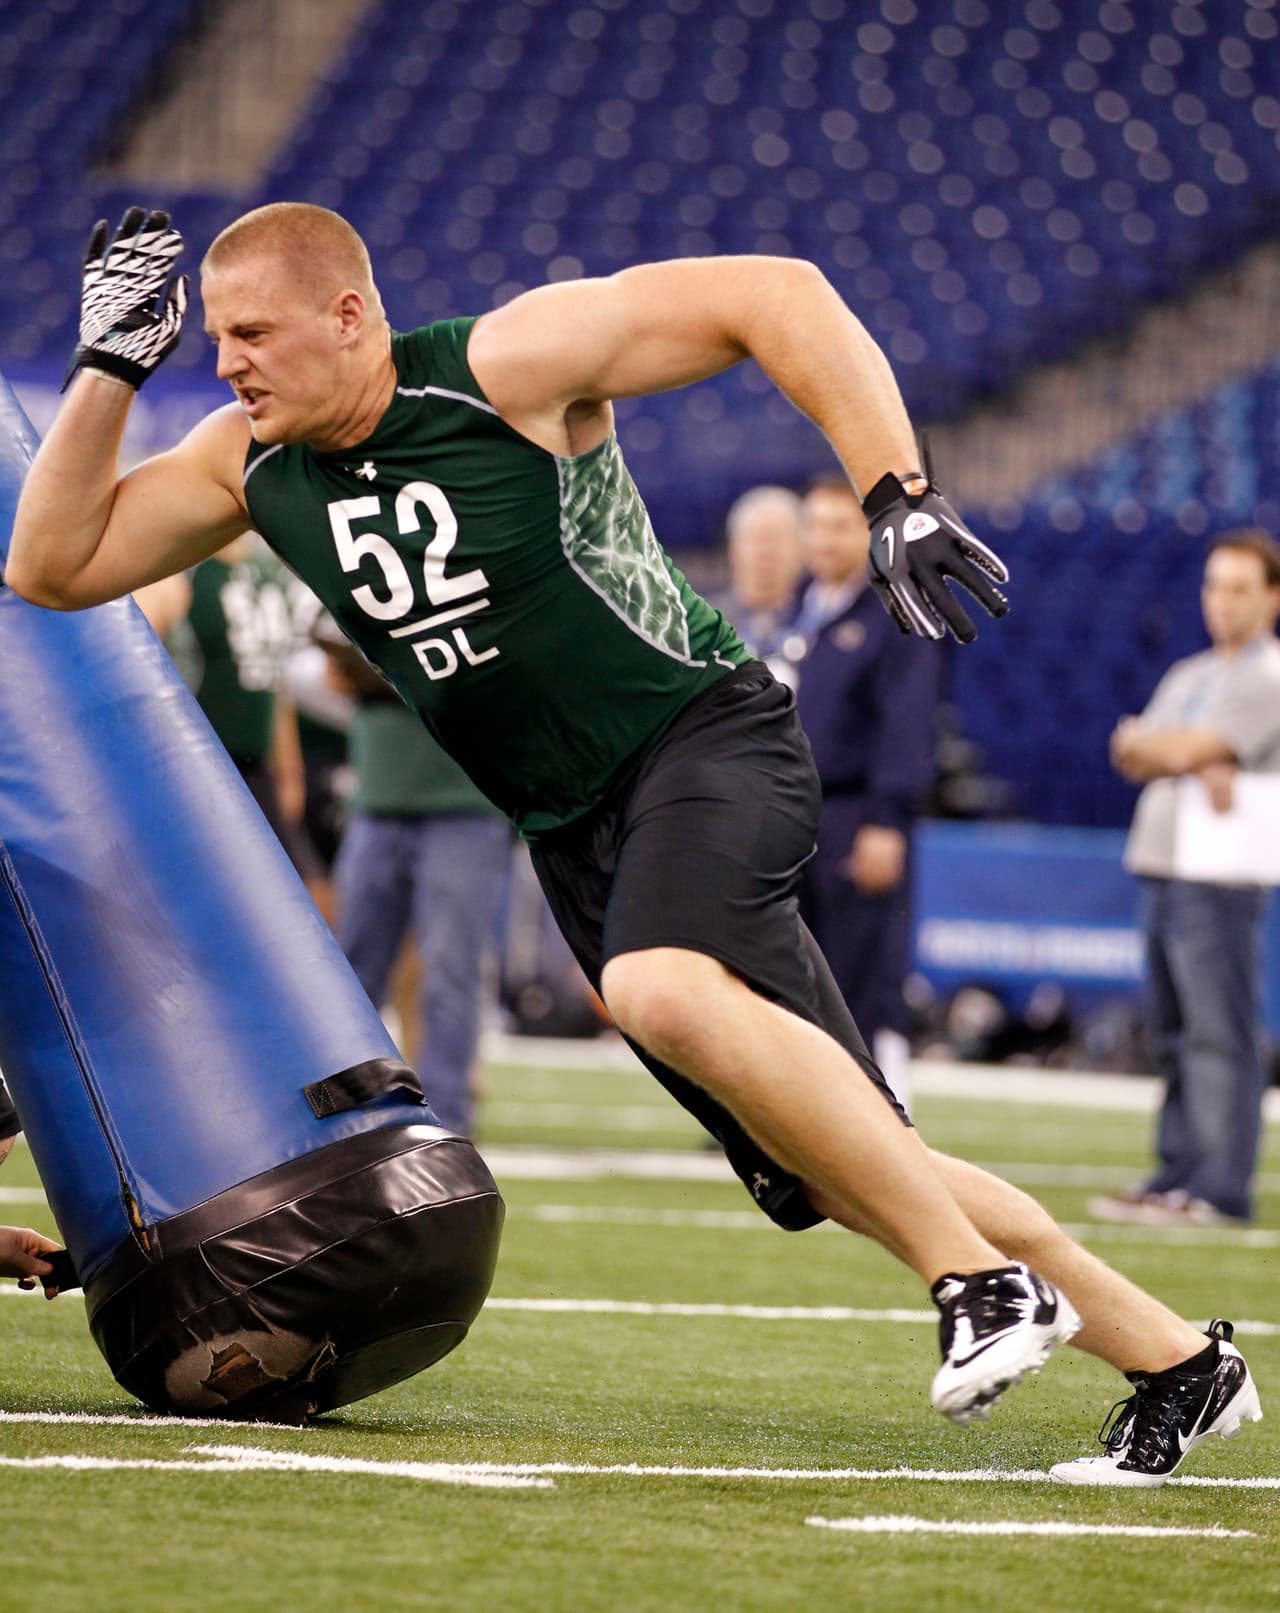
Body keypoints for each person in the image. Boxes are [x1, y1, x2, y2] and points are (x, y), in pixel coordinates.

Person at [6, 204, 1262, 1485]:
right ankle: (1176, 1358)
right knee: (840, 1157)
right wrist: (110, 363)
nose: (228, 363)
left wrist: (897, 490)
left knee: (657, 986)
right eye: (213, 339)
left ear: (348, 316)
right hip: (574, 827)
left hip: (698, 739)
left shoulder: (503, 368)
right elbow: (51, 566)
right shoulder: (248, 463)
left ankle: (979, 1282)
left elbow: (778, 291)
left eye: (252, 333)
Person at [1097, 529, 1280, 1227]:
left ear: (1271, 597)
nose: (1223, 601)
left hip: (1223, 873)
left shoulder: (1267, 676)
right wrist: (1169, 752)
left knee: (1219, 1031)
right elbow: (1136, 754)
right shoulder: (1191, 672)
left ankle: (1220, 1185)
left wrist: (1164, 748)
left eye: (1239, 587)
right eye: (1214, 585)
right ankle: (1177, 1171)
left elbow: (1178, 745)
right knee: (1174, 1031)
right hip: (1166, 862)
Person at [776, 474, 941, 1114]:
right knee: (788, 972)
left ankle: (865, 1117)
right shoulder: (801, 609)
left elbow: (907, 725)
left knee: (856, 979)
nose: (823, 540)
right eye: (814, 526)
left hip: (853, 813)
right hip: (791, 815)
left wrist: (887, 819)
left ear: (869, 534)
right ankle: (790, 1114)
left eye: (839, 526)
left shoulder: (894, 612)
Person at [321, 627, 511, 1137]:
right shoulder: (368, 574)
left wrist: (390, 670)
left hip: (466, 804)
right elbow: (329, 670)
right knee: (351, 973)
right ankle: (339, 1116)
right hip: (378, 797)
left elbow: (491, 673)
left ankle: (447, 1121)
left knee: (450, 972)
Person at [714, 484, 805, 656]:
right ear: (733, 548)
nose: (766, 552)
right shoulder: (705, 625)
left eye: (777, 540)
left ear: (802, 549)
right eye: (757, 539)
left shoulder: (817, 625)